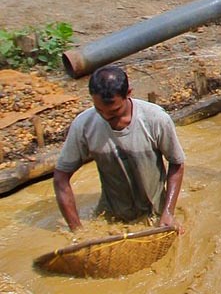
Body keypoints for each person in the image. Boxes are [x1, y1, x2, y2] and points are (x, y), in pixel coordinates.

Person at [53, 65, 185, 232]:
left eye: (114, 111)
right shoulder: (84, 125)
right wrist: (77, 230)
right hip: (112, 217)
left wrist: (168, 212)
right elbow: (60, 178)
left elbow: (177, 164)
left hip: (155, 215)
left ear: (128, 93)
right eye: (99, 110)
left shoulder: (155, 119)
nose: (107, 117)